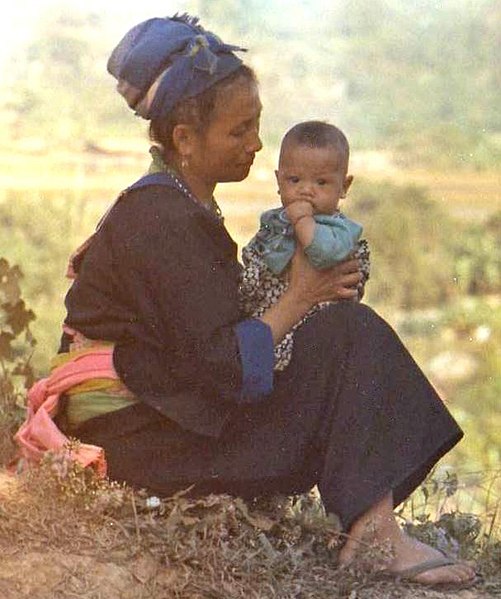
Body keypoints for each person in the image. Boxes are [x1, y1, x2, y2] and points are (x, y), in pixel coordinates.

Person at [19, 13, 476, 589]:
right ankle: (377, 536)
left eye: (256, 127)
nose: (257, 145)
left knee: (340, 331)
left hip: (163, 424)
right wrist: (302, 294)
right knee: (346, 334)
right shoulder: (162, 218)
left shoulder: (177, 205)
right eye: (239, 131)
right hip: (148, 447)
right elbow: (219, 370)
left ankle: (372, 526)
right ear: (184, 139)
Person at [240, 120, 370, 371]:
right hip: (272, 334)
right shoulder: (275, 223)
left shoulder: (341, 230)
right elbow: (253, 258)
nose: (306, 191)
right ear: (279, 181)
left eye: (321, 183)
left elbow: (322, 255)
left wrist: (302, 221)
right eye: (295, 180)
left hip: (319, 340)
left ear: (344, 186)